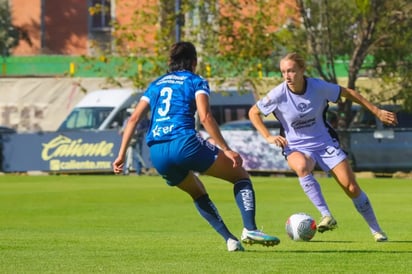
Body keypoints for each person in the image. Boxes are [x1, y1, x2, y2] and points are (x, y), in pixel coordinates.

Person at [113, 41, 280, 251]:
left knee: (197, 192)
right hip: (185, 143)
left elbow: (134, 118)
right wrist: (226, 149)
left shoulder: (156, 84)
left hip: (157, 152)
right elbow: (205, 116)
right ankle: (250, 229)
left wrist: (120, 155)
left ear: (170, 62)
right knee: (240, 176)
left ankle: (230, 240)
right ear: (194, 62)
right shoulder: (196, 81)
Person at [249, 52, 398, 242]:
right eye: (283, 72)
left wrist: (377, 111)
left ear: (302, 70)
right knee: (301, 167)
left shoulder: (318, 87)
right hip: (296, 146)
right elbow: (253, 112)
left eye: (292, 71)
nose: (287, 76)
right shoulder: (278, 94)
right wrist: (268, 136)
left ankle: (376, 230)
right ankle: (326, 215)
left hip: (324, 142)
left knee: (351, 187)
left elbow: (349, 93)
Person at [120, 111, 149, 175]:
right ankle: (141, 166)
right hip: (131, 139)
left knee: (132, 153)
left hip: (134, 139)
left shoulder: (136, 120)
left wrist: (137, 132)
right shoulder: (129, 120)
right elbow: (123, 130)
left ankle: (129, 169)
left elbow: (143, 128)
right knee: (133, 154)